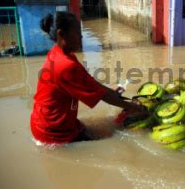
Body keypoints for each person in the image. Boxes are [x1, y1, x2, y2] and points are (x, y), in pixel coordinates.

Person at [30, 12, 146, 144]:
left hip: (50, 121)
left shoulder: (60, 53)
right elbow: (103, 96)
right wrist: (132, 107)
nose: (81, 36)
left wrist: (112, 92)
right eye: (77, 32)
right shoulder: (66, 65)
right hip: (53, 132)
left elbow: (91, 84)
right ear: (61, 34)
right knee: (109, 140)